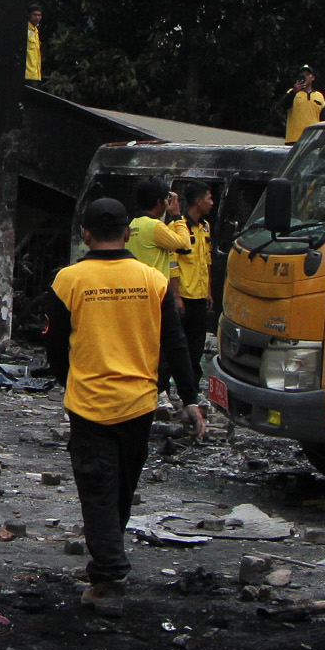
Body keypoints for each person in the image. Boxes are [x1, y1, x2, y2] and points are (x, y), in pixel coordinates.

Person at [44, 197, 199, 615]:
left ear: (86, 235)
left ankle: (109, 577)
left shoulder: (68, 280)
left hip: (90, 403)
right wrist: (191, 399)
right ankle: (107, 561)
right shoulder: (153, 280)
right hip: (139, 403)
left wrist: (69, 382)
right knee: (122, 486)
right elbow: (176, 342)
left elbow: (55, 347)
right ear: (127, 235)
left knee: (98, 488)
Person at [125, 180, 206, 439]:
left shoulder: (132, 226)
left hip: (133, 292)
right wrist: (176, 216)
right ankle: (159, 393)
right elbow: (184, 245)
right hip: (156, 294)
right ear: (160, 203)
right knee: (166, 346)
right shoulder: (156, 226)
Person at [174, 179, 218, 382]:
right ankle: (169, 384)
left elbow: (206, 260)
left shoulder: (206, 227)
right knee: (178, 343)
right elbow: (172, 263)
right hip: (183, 296)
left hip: (200, 295)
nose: (212, 203)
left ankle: (192, 384)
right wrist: (176, 297)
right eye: (209, 199)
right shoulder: (178, 226)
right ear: (198, 201)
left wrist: (208, 291)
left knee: (197, 344)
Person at [285, 66, 325, 143]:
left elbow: (323, 119)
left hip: (313, 140)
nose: (305, 77)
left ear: (313, 77)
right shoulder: (292, 92)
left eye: (307, 74)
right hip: (294, 139)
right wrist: (294, 91)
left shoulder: (319, 96)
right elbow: (283, 106)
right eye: (302, 75)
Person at [25, 4, 44, 82]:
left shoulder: (36, 30)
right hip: (26, 74)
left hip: (35, 75)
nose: (37, 17)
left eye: (39, 15)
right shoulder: (26, 29)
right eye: (35, 15)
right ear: (29, 15)